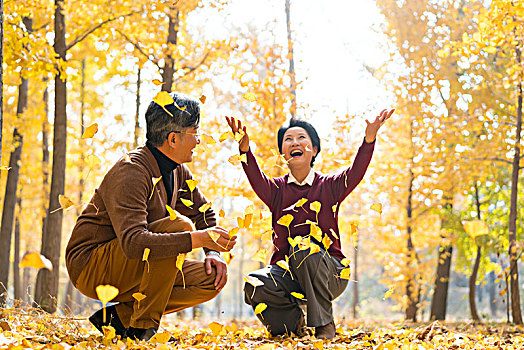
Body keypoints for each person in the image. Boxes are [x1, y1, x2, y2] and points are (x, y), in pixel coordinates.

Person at [66, 92, 236, 341]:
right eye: (195, 132)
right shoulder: (131, 171)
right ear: (173, 139)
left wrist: (213, 252)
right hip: (92, 265)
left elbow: (204, 212)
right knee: (179, 225)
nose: (198, 141)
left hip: (131, 263)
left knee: (210, 280)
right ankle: (141, 330)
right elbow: (134, 244)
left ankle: (118, 319)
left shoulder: (179, 171)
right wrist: (198, 239)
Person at [226, 109, 393, 339]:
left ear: (314, 150)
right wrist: (245, 150)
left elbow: (356, 172)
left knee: (303, 247)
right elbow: (255, 177)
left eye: (301, 137)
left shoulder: (330, 186)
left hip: (330, 273)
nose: (295, 142)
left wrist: (369, 139)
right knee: (254, 283)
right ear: (283, 153)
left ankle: (324, 325)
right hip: (288, 276)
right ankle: (292, 327)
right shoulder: (275, 191)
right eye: (288, 139)